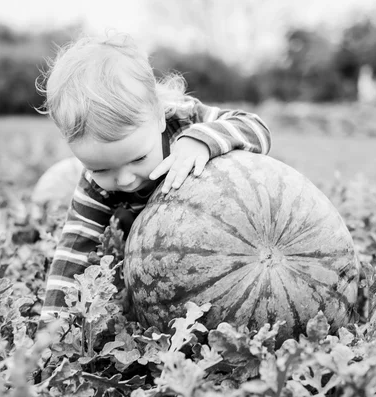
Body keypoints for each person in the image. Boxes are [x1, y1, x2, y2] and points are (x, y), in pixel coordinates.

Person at [37, 32, 271, 322]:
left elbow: (256, 128)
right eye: (101, 169)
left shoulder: (186, 121)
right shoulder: (93, 188)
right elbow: (74, 246)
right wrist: (53, 322)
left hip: (230, 234)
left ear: (159, 117)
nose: (123, 180)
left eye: (137, 159)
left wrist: (200, 141)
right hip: (158, 257)